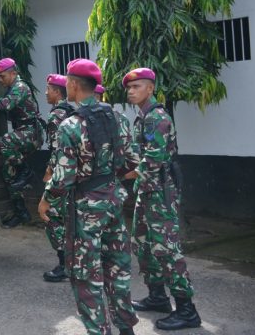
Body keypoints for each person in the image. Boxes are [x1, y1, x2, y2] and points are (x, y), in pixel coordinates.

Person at [38, 58, 139, 335]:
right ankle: (126, 328)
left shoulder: (71, 125)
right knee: (118, 267)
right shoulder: (118, 118)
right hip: (114, 202)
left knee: (85, 275)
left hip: (85, 208)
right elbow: (132, 163)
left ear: (72, 84)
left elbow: (64, 176)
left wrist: (47, 199)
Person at [123, 68, 201, 330]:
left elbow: (152, 160)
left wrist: (122, 175)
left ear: (150, 89)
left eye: (137, 87)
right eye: (129, 88)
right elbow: (135, 153)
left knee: (167, 250)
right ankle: (158, 297)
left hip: (159, 192)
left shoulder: (158, 118)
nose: (131, 91)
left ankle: (187, 309)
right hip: (145, 191)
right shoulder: (141, 119)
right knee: (143, 244)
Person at [0, 58, 43, 228]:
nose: (0, 80)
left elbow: (6, 105)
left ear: (13, 73)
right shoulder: (13, 89)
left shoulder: (20, 87)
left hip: (31, 133)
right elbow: (8, 105)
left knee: (5, 142)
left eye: (3, 76)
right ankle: (21, 213)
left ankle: (26, 172)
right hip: (23, 132)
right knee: (9, 174)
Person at [41, 73, 75, 282]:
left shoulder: (56, 116)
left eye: (48, 89)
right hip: (76, 174)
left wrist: (49, 174)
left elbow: (57, 150)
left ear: (56, 91)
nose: (46, 93)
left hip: (61, 174)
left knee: (52, 216)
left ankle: (64, 264)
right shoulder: (73, 112)